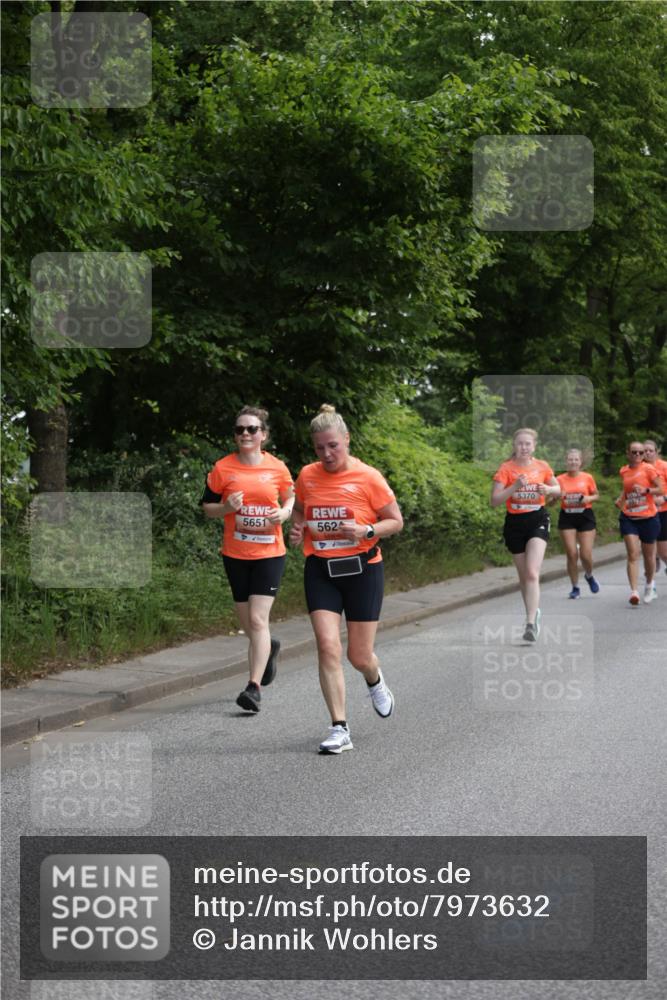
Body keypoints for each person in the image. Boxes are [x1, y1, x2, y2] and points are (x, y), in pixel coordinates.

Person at [289, 405, 403, 755]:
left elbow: (395, 521)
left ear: (347, 440)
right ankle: (339, 728)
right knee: (327, 645)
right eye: (319, 448)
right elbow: (300, 509)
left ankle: (374, 679)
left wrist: (367, 529)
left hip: (363, 571)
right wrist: (297, 527)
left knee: (359, 655)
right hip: (321, 570)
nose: (326, 454)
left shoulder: (368, 477)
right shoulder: (307, 475)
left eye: (333, 446)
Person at [201, 406, 294, 711]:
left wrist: (285, 512)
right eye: (240, 429)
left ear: (263, 435)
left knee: (257, 620)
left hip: (269, 554)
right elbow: (207, 508)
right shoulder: (222, 468)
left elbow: (291, 496)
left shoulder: (277, 468)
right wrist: (227, 508)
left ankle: (253, 688)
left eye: (252, 429)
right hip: (235, 554)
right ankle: (269, 647)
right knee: (250, 626)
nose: (245, 434)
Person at [491, 428, 560, 641]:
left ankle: (530, 624)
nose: (524, 447)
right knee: (524, 577)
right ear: (514, 445)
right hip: (515, 524)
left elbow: (558, 489)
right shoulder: (506, 468)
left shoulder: (542, 466)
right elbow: (495, 501)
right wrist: (514, 486)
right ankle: (533, 612)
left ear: (534, 446)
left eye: (528, 444)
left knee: (531, 572)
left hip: (537, 519)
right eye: (520, 443)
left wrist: (548, 490)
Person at [614, 441, 663, 605]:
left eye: (641, 453)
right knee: (632, 554)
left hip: (649, 518)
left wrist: (646, 490)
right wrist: (621, 499)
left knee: (649, 556)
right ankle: (634, 592)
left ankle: (649, 585)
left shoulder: (649, 469)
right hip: (629, 517)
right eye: (634, 452)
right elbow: (627, 489)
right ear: (627, 453)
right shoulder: (624, 470)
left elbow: (661, 489)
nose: (638, 455)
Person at [556, 449, 600, 598]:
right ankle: (575, 587)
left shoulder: (587, 477)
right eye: (570, 459)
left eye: (576, 460)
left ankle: (589, 575)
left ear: (581, 462)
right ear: (566, 462)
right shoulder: (559, 479)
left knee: (585, 554)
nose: (573, 462)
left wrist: (588, 499)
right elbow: (549, 502)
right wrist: (557, 497)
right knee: (571, 553)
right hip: (567, 517)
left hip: (585, 516)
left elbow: (597, 495)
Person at [643, 439, 667, 588]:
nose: (647, 453)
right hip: (645, 513)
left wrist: (663, 498)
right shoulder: (639, 468)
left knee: (664, 552)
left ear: (656, 452)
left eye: (650, 450)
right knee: (648, 550)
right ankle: (650, 585)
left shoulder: (664, 466)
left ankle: (659, 557)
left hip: (663, 511)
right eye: (645, 451)